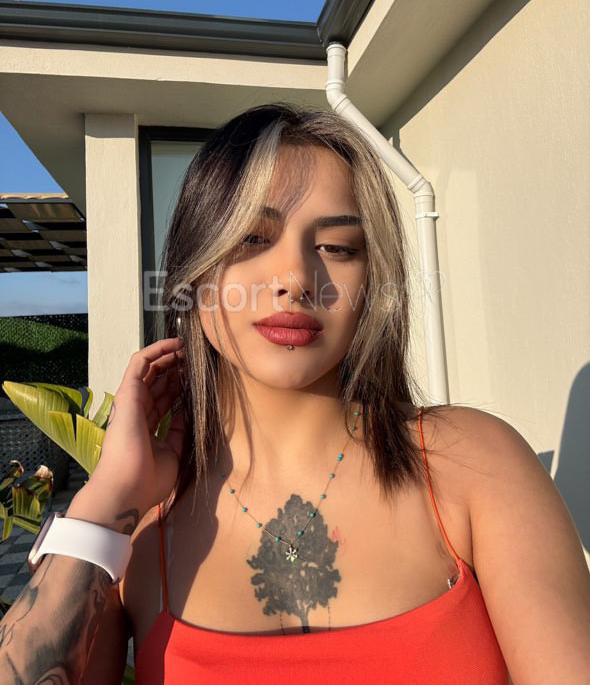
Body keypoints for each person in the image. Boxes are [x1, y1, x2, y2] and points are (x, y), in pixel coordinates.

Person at [1, 103, 589, 684]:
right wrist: (106, 500)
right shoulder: (130, 534)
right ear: (193, 274)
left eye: (338, 247)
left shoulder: (472, 465)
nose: (296, 279)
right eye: (251, 238)